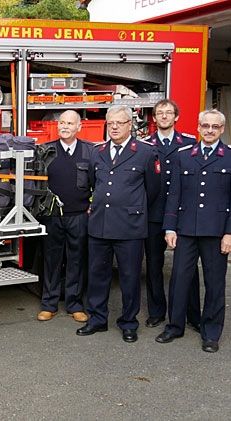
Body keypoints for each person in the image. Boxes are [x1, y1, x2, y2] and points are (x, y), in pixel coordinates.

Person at [76, 105, 160, 343]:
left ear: (129, 125)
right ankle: (97, 319)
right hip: (100, 224)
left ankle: (128, 323)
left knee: (130, 277)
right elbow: (94, 182)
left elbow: (153, 190)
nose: (114, 127)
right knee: (97, 275)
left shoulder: (144, 152)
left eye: (119, 123)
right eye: (110, 122)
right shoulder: (97, 151)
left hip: (130, 226)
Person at [156, 109, 231, 353]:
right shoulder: (184, 156)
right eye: (205, 125)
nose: (209, 130)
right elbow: (174, 194)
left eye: (215, 127)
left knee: (215, 284)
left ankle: (210, 333)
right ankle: (175, 325)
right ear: (198, 127)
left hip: (216, 232)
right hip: (186, 229)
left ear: (222, 129)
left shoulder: (228, 157)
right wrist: (170, 226)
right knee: (179, 280)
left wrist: (229, 233)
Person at [143, 99, 201, 329]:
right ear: (154, 118)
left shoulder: (188, 142)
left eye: (169, 113)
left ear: (176, 117)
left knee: (188, 267)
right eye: (160, 113)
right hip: (154, 214)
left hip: (183, 213)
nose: (164, 116)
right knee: (154, 266)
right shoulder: (146, 145)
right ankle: (157, 311)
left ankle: (192, 313)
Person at [36, 110, 92, 323]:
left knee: (76, 260)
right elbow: (38, 182)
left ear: (79, 127)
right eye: (62, 123)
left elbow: (98, 181)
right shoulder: (45, 151)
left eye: (70, 123)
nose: (65, 127)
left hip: (79, 215)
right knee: (51, 260)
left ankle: (74, 304)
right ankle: (49, 304)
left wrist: (92, 205)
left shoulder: (89, 151)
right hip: (52, 216)